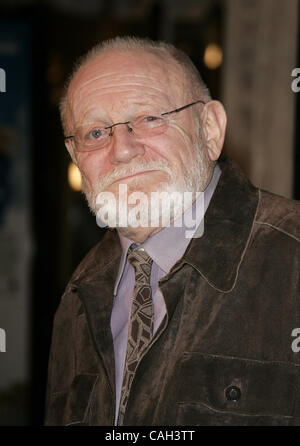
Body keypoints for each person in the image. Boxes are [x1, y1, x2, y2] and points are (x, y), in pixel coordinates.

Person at [45, 36, 300, 426]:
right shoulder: (79, 294)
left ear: (210, 129)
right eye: (96, 133)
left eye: (149, 118)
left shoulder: (292, 259)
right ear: (75, 156)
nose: (122, 149)